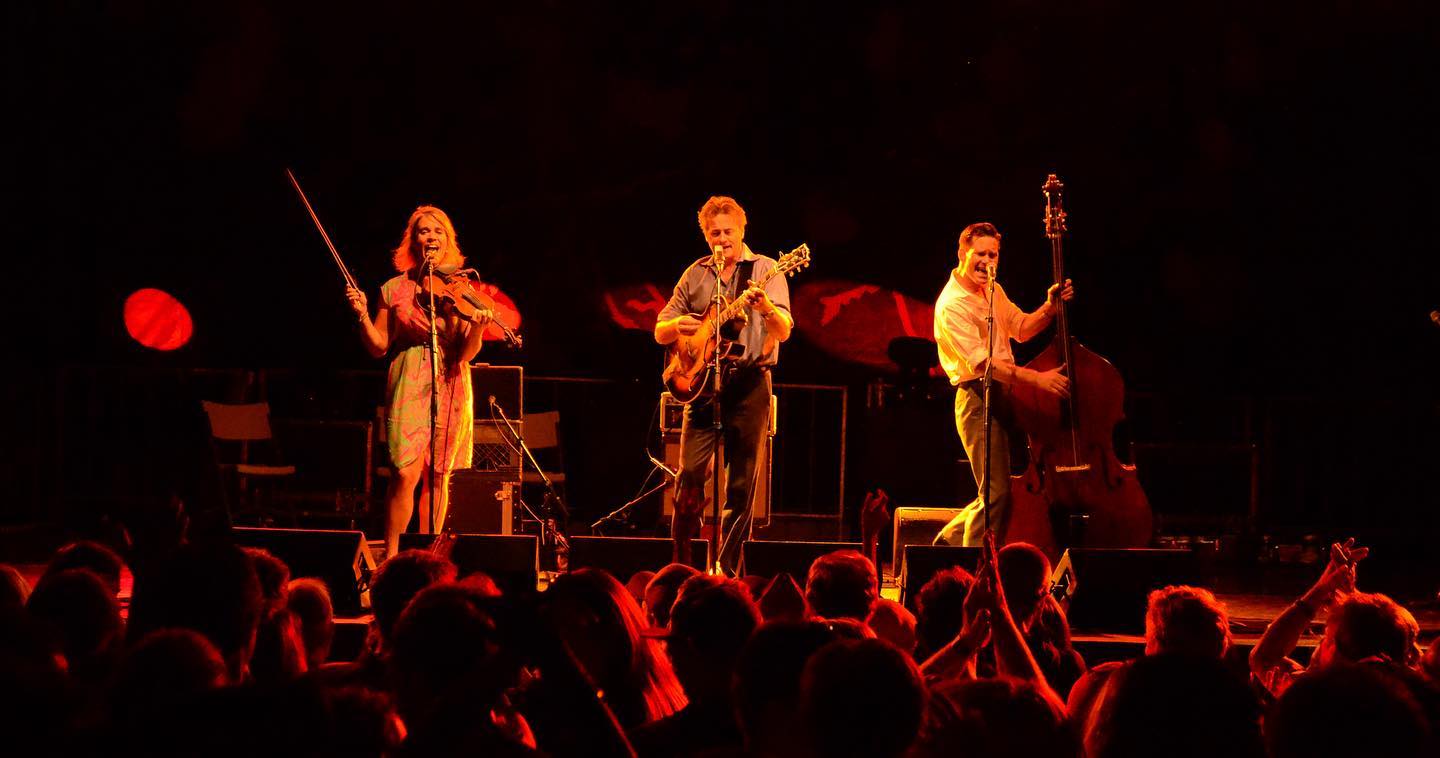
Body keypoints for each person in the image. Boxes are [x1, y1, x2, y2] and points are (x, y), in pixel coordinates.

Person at [654, 195, 793, 574]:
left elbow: (784, 329)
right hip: (701, 389)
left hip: (750, 386)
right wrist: (679, 329)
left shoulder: (767, 269)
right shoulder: (695, 273)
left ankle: (727, 569)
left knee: (741, 485)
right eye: (714, 233)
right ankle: (682, 563)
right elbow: (660, 329)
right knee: (689, 478)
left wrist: (764, 308)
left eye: (728, 232)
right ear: (705, 236)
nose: (722, 239)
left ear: (742, 231)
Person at [346, 206, 491, 557]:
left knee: (440, 476)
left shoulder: (461, 289)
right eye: (424, 231)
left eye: (438, 231)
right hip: (409, 378)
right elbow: (379, 346)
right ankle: (393, 557)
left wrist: (480, 326)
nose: (431, 236)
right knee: (405, 472)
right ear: (413, 241)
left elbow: (466, 353)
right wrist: (362, 315)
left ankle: (428, 555)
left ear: (447, 240)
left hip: (451, 379)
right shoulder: (393, 289)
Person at [933, 222, 1073, 547]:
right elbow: (985, 366)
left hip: (1004, 394)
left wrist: (1050, 308)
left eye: (992, 254)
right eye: (979, 254)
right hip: (976, 398)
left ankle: (942, 547)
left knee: (997, 493)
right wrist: (1037, 379)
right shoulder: (952, 304)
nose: (987, 261)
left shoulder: (993, 289)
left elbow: (1021, 328)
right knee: (995, 493)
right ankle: (972, 565)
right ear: (962, 254)